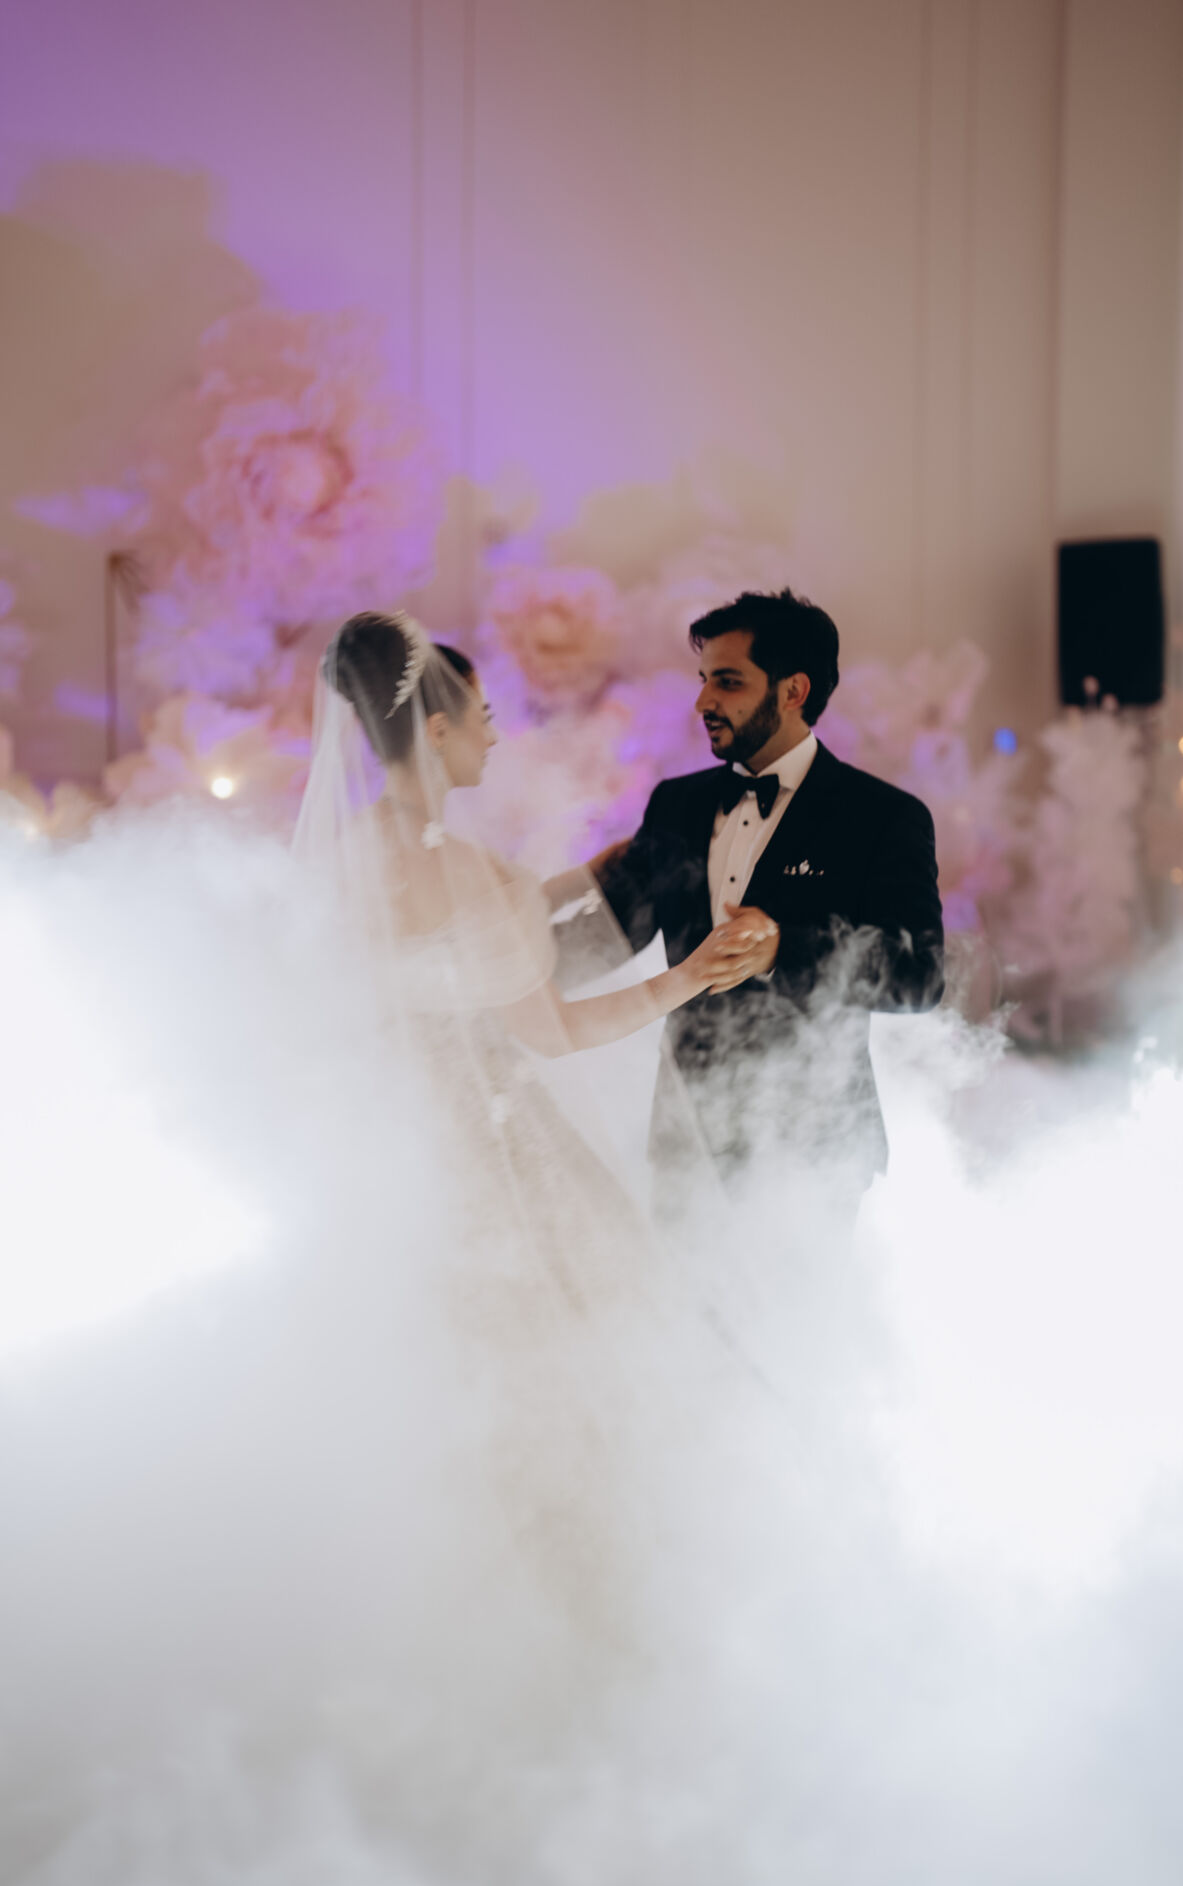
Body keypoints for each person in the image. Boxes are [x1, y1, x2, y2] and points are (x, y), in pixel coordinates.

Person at [292, 610, 747, 1645]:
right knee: (559, 1379)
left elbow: (388, 986)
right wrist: (686, 977)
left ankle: (445, 1612)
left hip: (386, 1158)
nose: (495, 736)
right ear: (437, 731)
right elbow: (552, 1030)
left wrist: (581, 885)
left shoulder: (341, 864)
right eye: (483, 718)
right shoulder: (477, 877)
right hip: (494, 1152)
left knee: (429, 1383)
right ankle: (586, 1611)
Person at [587, 589, 945, 1214]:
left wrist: (783, 948)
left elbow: (920, 977)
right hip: (684, 1144)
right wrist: (487, 954)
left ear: (793, 691)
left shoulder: (882, 817)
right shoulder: (675, 804)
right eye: (703, 680)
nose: (703, 701)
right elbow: (607, 936)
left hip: (813, 1156)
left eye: (727, 682)